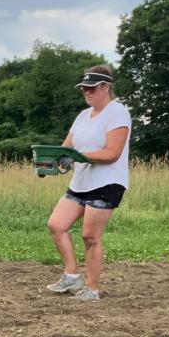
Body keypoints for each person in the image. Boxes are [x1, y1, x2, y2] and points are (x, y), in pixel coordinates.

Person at [45, 65, 131, 301]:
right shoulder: (83, 115)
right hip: (81, 182)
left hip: (106, 183)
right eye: (84, 88)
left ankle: (91, 290)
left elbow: (112, 153)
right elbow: (67, 147)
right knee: (57, 224)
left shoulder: (118, 112)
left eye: (91, 87)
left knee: (90, 236)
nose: (86, 92)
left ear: (106, 87)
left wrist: (78, 157)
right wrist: (53, 160)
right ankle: (72, 276)